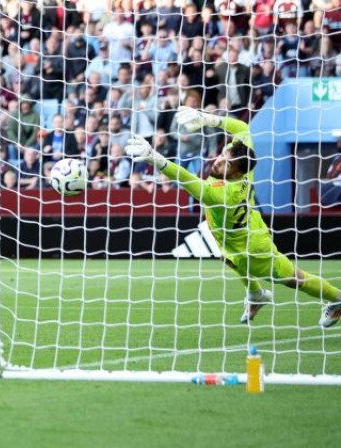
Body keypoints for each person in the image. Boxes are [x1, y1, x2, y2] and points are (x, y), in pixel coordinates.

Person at [125, 106, 341, 328]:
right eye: (222, 155)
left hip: (253, 248)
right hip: (241, 229)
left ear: (236, 173)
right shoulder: (240, 159)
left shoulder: (221, 193)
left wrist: (156, 158)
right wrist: (207, 119)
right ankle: (256, 295)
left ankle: (337, 299)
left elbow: (186, 178)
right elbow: (242, 127)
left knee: (295, 279)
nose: (218, 161)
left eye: (225, 163)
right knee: (227, 258)